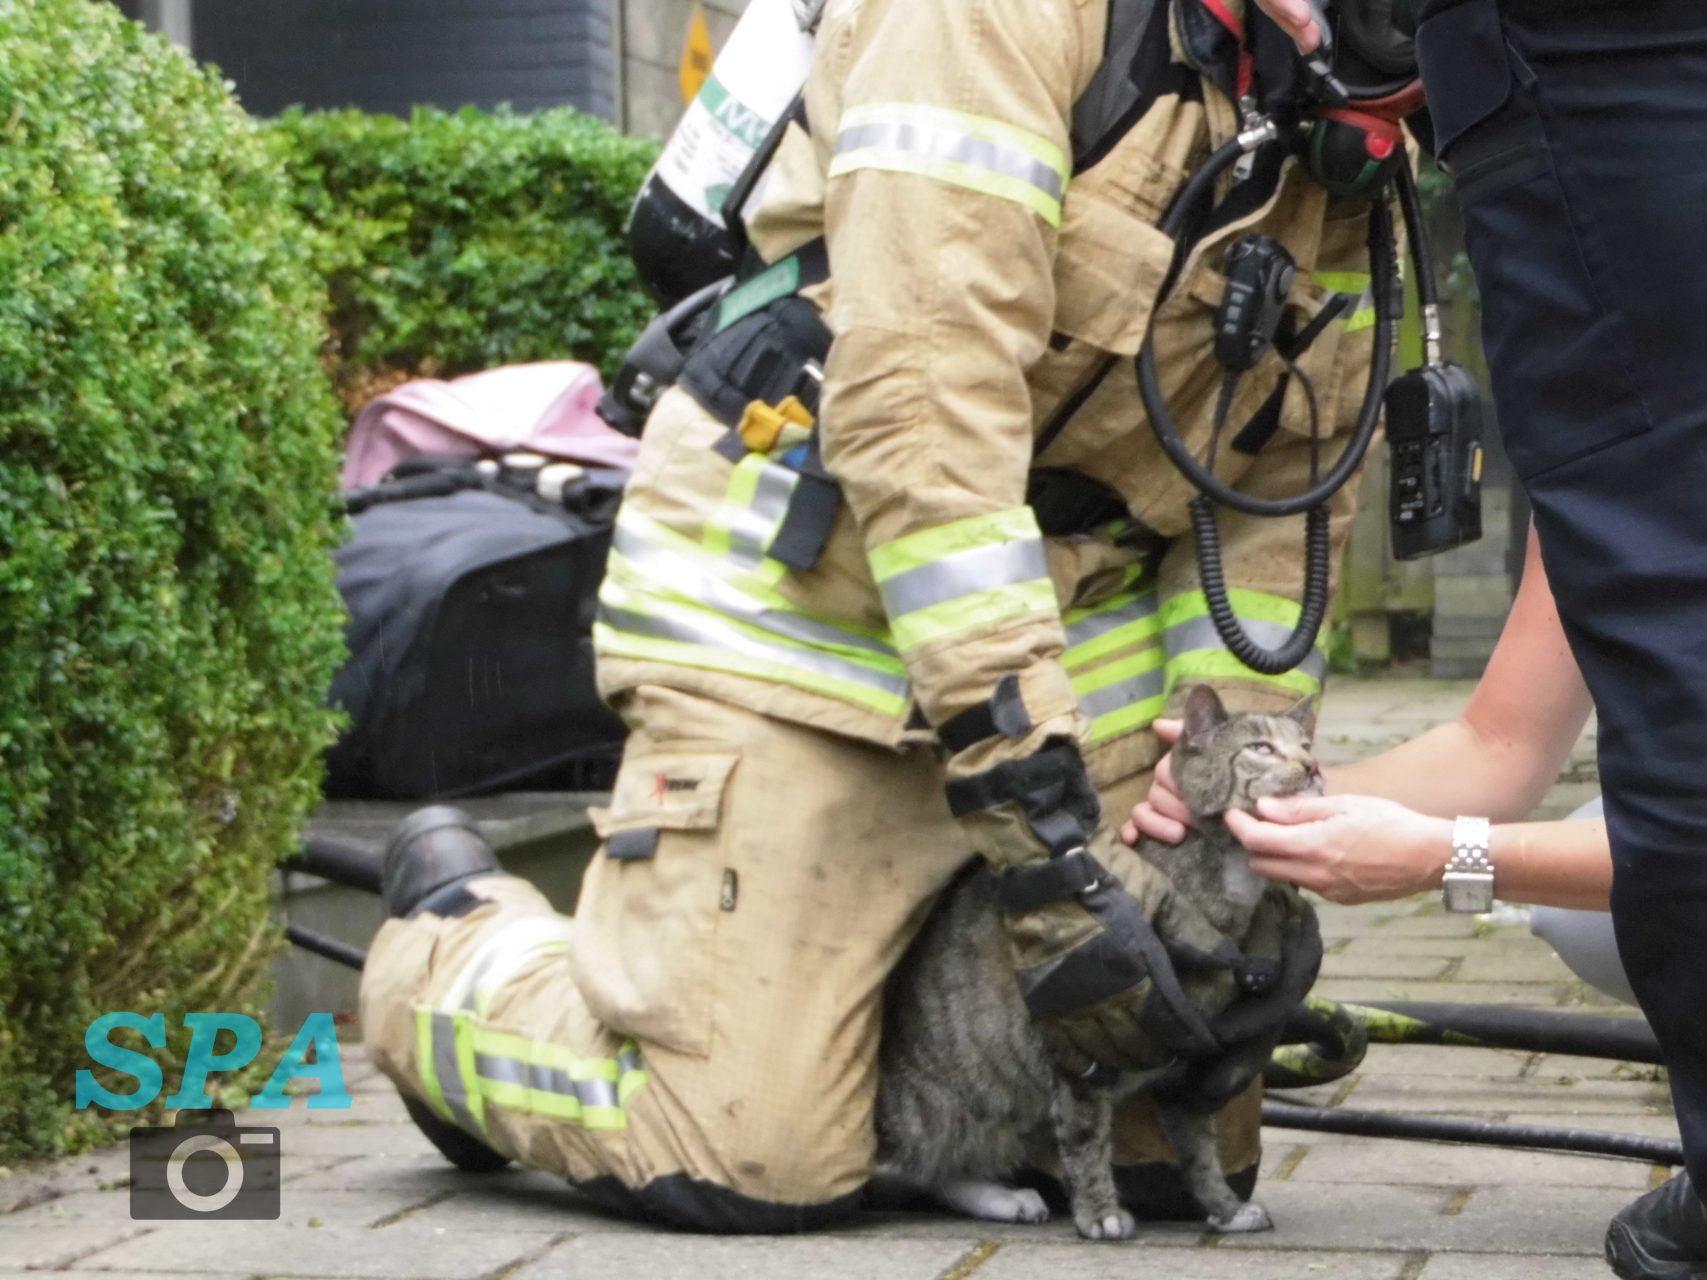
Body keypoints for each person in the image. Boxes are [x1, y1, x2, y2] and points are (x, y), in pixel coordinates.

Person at [358, 0, 1385, 1234]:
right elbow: (926, 421)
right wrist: (1049, 837)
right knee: (745, 1149)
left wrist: (1233, 796)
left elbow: (1286, 486)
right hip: (810, 626)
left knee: (1167, 1143)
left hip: (1062, 631)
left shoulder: (1337, 120)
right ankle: (457, 957)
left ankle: (877, 1006)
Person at [1205, 5, 1707, 1271]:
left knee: (1610, 889)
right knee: (1600, 897)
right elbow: (1499, 743)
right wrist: (1274, 803)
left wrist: (1450, 858)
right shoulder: (1658, 447)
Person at [1126, 527, 1610, 912]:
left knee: (1582, 924)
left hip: (1648, 859)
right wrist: (1291, 800)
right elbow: (1497, 748)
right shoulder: (1575, 499)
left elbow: (1659, 849)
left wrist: (1440, 857)